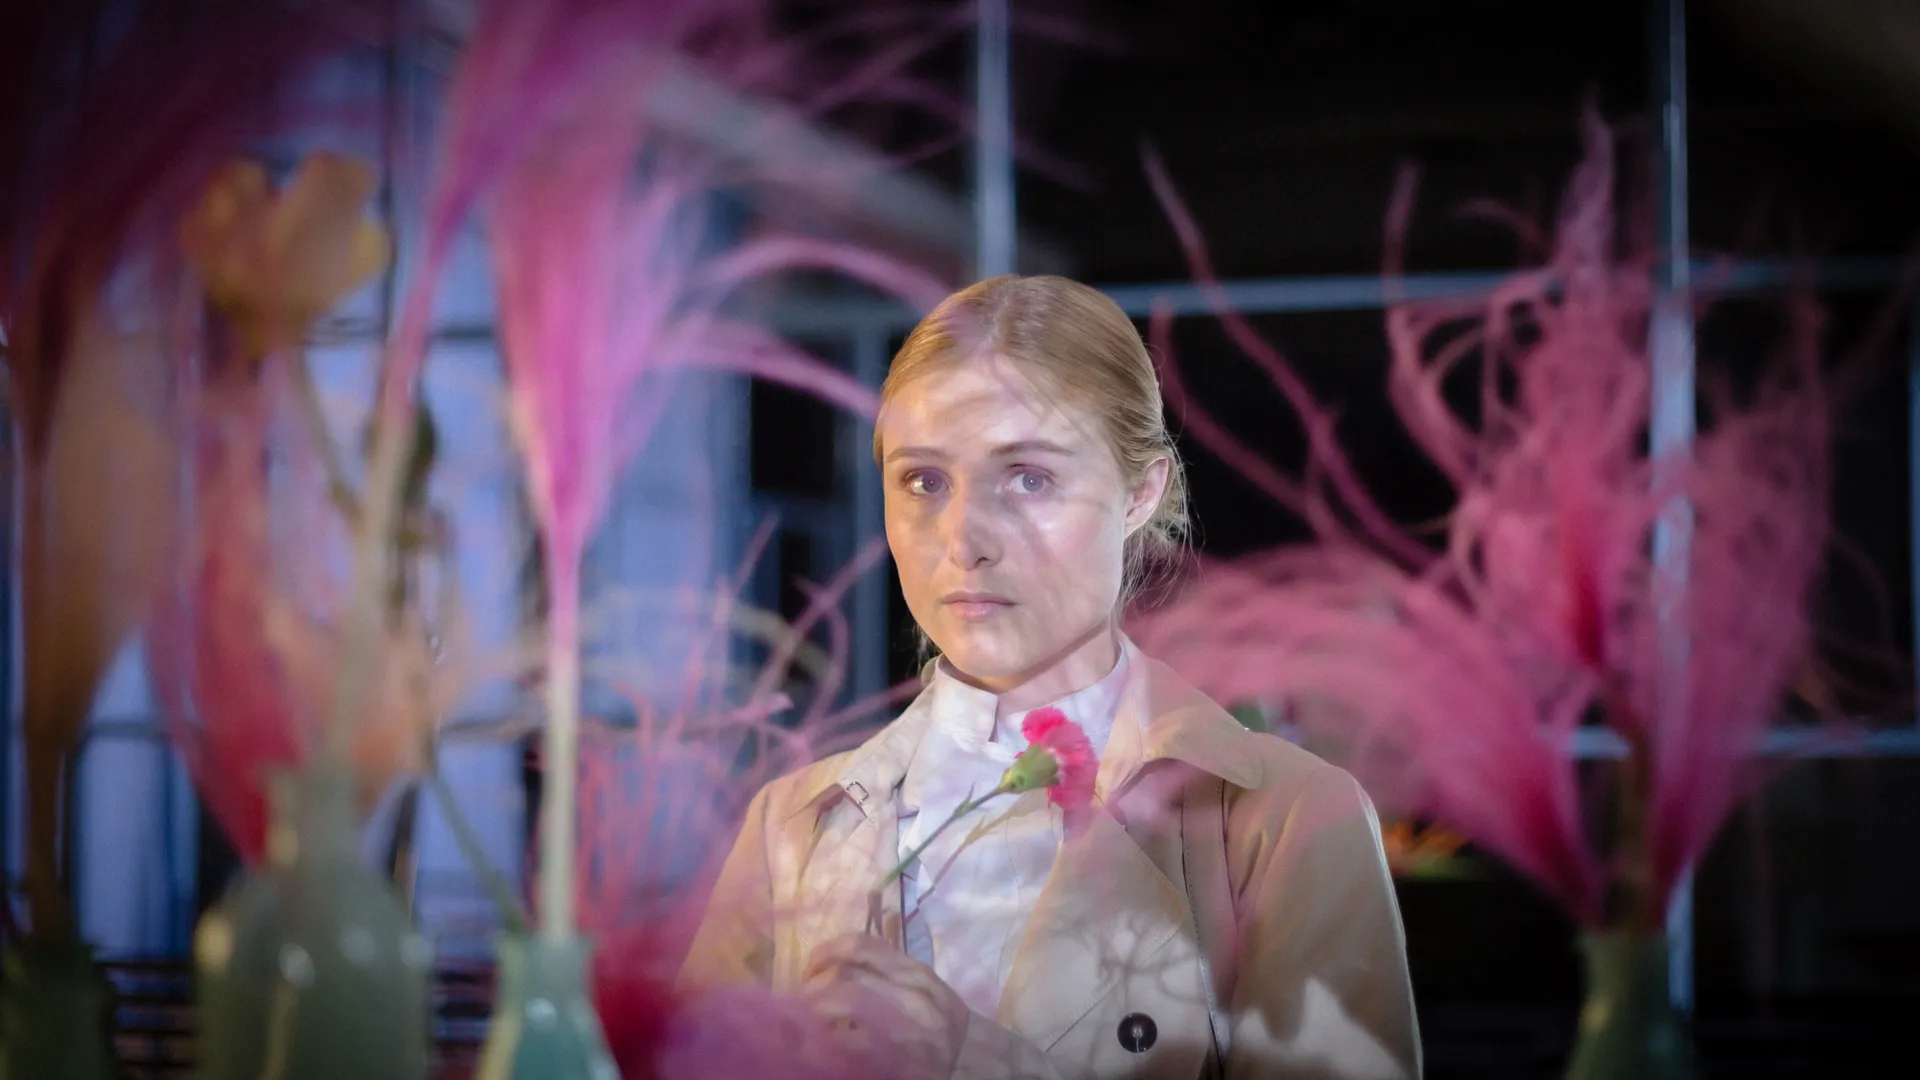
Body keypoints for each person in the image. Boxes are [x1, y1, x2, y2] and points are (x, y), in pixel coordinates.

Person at [680, 275, 1421, 1080]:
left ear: (1140, 493)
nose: (964, 540)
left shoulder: (1282, 821)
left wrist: (977, 1062)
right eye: (924, 480)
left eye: (1029, 477)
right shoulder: (791, 827)